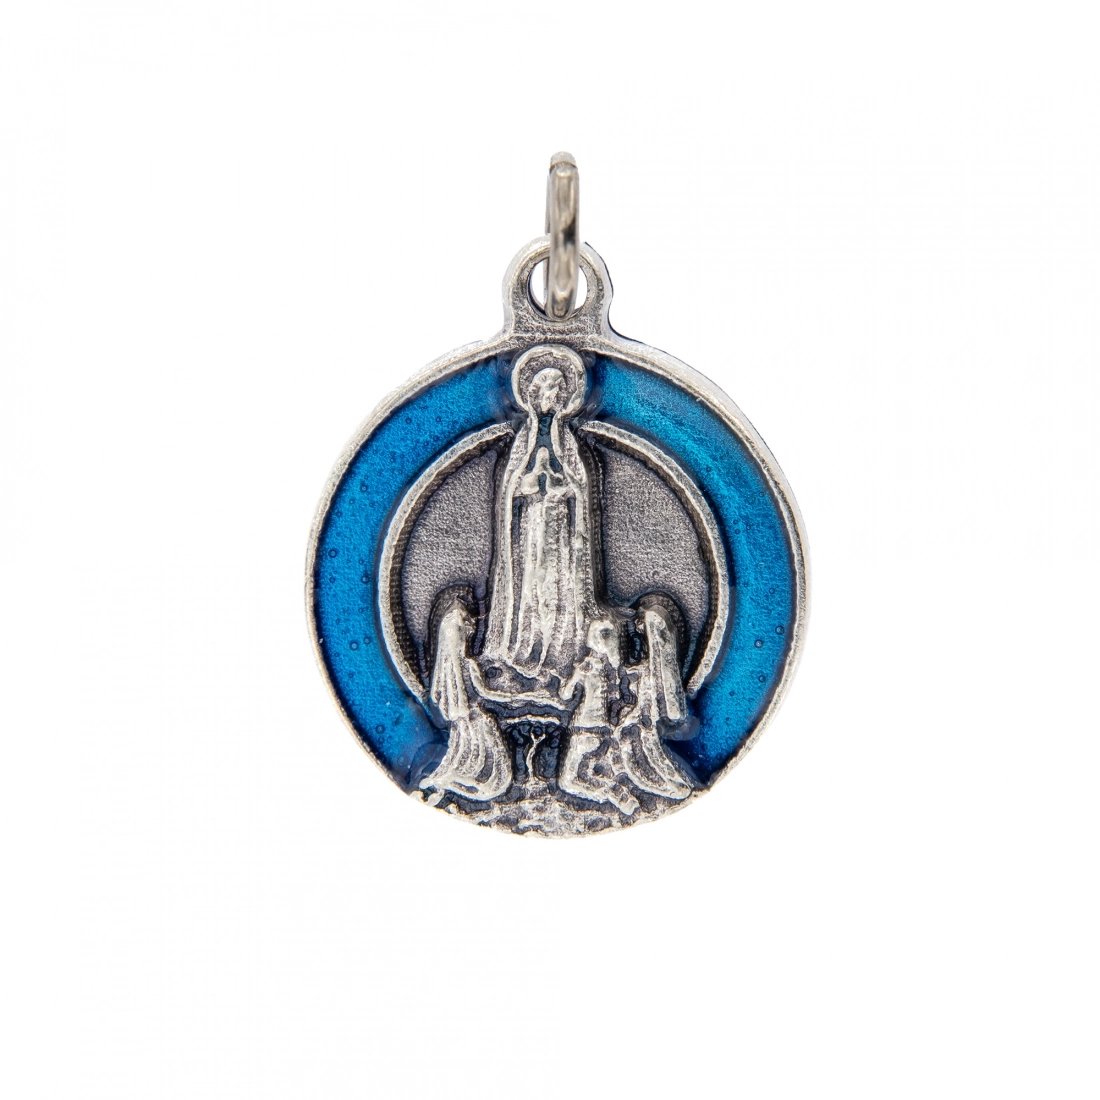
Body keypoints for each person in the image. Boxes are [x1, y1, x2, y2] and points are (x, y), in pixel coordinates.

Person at [482, 347, 602, 685]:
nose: (553, 395)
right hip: (531, 526)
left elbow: (579, 487)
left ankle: (560, 654)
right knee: (532, 586)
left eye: (558, 389)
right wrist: (533, 483)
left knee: (558, 585)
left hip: (560, 529)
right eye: (547, 388)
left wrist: (562, 487)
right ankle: (527, 649)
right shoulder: (525, 439)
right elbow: (511, 489)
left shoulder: (568, 440)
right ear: (533, 394)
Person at [420, 596, 512, 804]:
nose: (470, 629)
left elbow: (437, 697)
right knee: (494, 774)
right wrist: (513, 698)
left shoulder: (441, 673)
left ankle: (458, 782)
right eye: (464, 627)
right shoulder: (468, 665)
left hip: (458, 724)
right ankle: (476, 782)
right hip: (474, 721)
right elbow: (486, 693)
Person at [557, 619, 639, 815]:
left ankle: (615, 796)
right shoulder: (612, 668)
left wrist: (574, 675)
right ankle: (621, 795)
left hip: (584, 727)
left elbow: (565, 695)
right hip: (603, 731)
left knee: (567, 781)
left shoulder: (587, 666)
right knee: (587, 774)